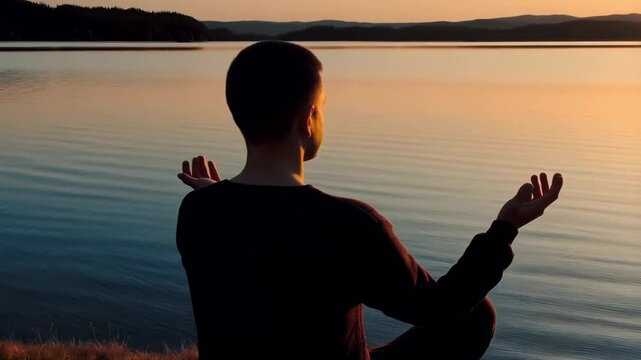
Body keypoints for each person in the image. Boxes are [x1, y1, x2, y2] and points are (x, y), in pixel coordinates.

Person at [175, 41, 563, 360]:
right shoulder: (350, 224)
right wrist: (504, 228)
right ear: (309, 120)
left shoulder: (197, 212)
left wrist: (220, 195)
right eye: (323, 107)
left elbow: (261, 238)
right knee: (476, 314)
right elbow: (439, 306)